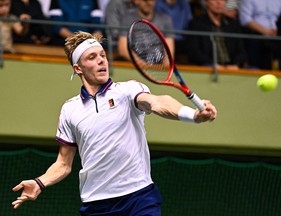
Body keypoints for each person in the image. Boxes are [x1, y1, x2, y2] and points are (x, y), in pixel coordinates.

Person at [11, 31, 217, 215]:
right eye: (92, 57)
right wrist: (40, 182)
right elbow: (63, 164)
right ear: (78, 68)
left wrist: (193, 115)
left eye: (102, 55)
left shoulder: (127, 90)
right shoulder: (69, 110)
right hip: (96, 204)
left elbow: (156, 103)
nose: (101, 61)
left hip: (139, 197)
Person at [187, 0, 247, 70]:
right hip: (207, 67)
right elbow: (194, 52)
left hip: (231, 67)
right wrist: (212, 64)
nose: (219, 2)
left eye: (223, 0)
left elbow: (241, 51)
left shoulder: (233, 24)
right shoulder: (196, 24)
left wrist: (236, 64)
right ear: (206, 2)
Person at [239, 0, 281, 69]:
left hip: (279, 33)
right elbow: (245, 19)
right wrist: (264, 31)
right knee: (255, 40)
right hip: (257, 33)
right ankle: (255, 68)